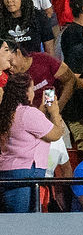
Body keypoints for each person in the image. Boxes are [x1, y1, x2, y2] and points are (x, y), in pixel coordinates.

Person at [0, 73, 65, 212]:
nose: (34, 92)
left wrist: (41, 110)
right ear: (25, 92)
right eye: (32, 88)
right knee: (21, 222)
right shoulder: (27, 113)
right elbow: (56, 134)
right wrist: (54, 112)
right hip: (26, 174)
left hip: (7, 172)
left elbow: (31, 127)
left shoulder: (7, 112)